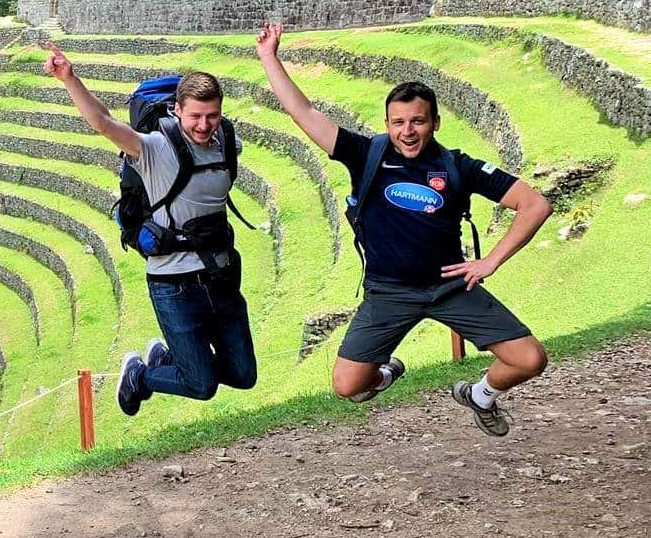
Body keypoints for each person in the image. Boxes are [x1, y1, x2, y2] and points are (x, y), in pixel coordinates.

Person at [255, 23, 552, 436]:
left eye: (418, 121)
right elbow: (304, 112)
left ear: (435, 122)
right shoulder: (366, 155)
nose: (407, 131)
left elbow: (536, 203)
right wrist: (270, 57)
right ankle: (389, 372)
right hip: (389, 291)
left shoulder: (458, 166)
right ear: (387, 123)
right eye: (398, 122)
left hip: (451, 287)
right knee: (348, 386)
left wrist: (491, 262)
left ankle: (480, 395)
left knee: (530, 359)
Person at [43, 43, 258, 417]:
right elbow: (104, 124)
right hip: (173, 282)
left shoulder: (226, 142)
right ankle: (141, 376)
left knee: (243, 375)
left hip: (220, 275)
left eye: (212, 116)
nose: (204, 125)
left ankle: (166, 354)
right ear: (177, 111)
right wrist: (70, 79)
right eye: (195, 116)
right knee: (201, 385)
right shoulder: (155, 148)